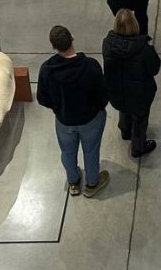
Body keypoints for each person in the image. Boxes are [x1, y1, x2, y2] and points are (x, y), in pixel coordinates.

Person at [37, 26, 110, 197]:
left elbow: (42, 98)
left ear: (53, 46)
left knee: (68, 152)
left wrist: (57, 108)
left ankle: (73, 182)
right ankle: (92, 184)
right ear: (72, 38)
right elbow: (103, 94)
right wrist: (99, 108)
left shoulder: (47, 69)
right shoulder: (90, 66)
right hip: (90, 120)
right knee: (91, 151)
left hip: (64, 121)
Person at [102, 9, 161, 158]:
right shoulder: (144, 49)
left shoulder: (107, 44)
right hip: (140, 94)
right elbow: (154, 69)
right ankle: (138, 147)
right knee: (140, 119)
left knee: (124, 108)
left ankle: (125, 131)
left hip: (116, 92)